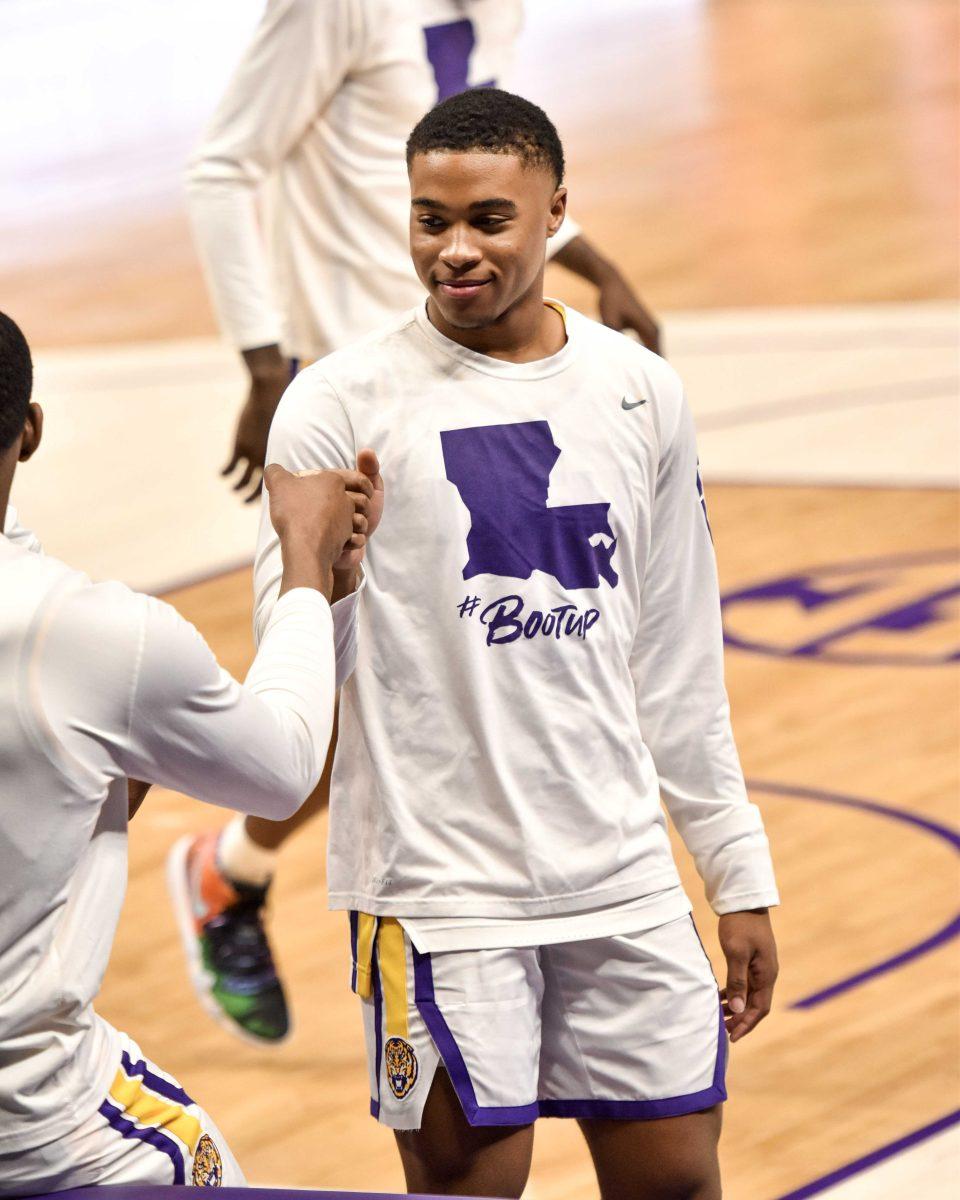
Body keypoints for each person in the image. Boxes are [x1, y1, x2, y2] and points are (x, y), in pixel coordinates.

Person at [232, 88, 779, 1199]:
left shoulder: (639, 393)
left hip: (621, 875)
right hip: (438, 892)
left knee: (678, 1180)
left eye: (491, 218)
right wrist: (323, 580)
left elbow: (677, 661)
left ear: (557, 215)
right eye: (431, 221)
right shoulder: (334, 406)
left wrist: (736, 868)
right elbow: (285, 690)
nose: (456, 250)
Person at [176, 0, 662, 1048]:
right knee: (347, 688)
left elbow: (483, 173)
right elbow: (221, 170)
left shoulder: (498, 10)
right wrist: (266, 358)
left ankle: (237, 872)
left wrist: (595, 267)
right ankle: (240, 876)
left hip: (474, 382)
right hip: (354, 391)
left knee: (468, 663)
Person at [0, 311, 378, 1193]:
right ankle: (229, 870)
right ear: (33, 428)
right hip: (33, 1120)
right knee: (204, 1165)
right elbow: (284, 769)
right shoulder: (89, 635)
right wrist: (307, 573)